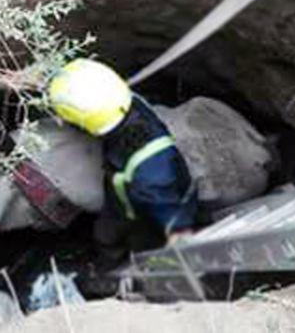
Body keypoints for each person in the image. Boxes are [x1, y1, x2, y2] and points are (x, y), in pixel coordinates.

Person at [47, 58, 197, 248]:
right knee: (106, 232)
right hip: (125, 186)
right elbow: (75, 85)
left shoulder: (153, 176)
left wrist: (179, 233)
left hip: (140, 215)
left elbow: (169, 208)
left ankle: (114, 255)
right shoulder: (120, 99)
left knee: (120, 238)